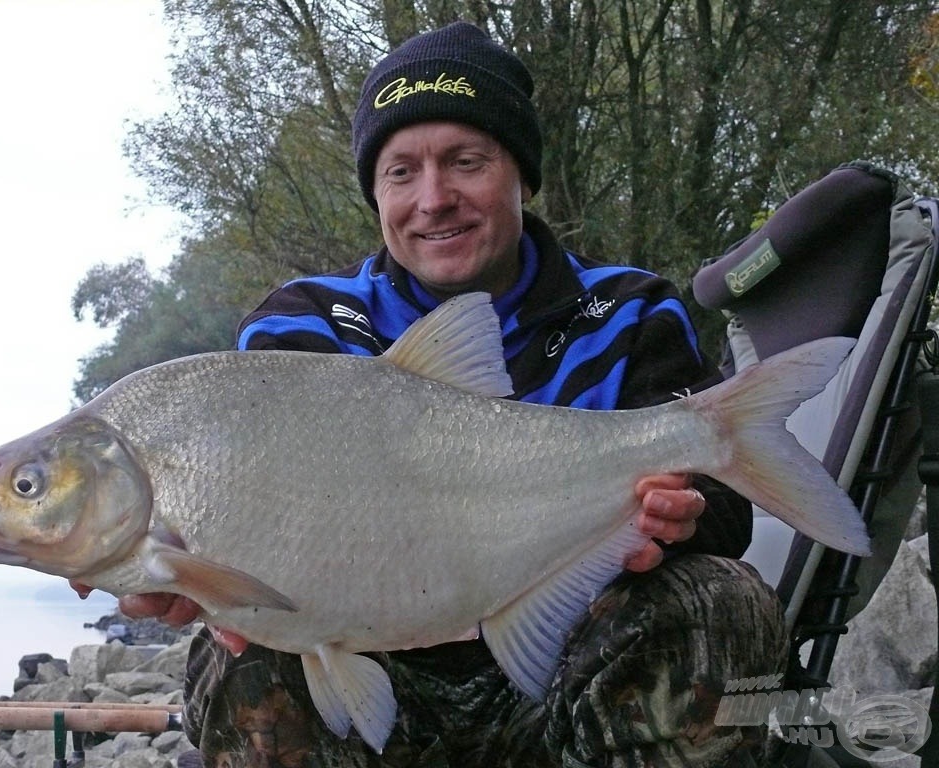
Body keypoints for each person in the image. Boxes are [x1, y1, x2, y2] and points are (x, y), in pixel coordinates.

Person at [117, 21, 785, 768]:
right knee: (239, 652)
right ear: (375, 193)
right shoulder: (297, 326)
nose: (433, 199)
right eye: (400, 173)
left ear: (520, 175)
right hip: (385, 683)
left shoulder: (630, 310)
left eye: (465, 162)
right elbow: (244, 525)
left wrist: (684, 518)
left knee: (725, 601)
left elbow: (728, 518)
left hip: (575, 667)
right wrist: (190, 579)